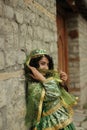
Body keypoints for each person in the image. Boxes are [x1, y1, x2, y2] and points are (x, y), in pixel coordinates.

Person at [24, 49, 78, 130]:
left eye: (47, 64)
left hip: (62, 119)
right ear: (34, 66)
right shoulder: (34, 86)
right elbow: (54, 94)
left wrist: (62, 82)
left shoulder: (48, 79)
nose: (46, 67)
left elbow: (60, 92)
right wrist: (42, 79)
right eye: (42, 64)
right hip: (50, 123)